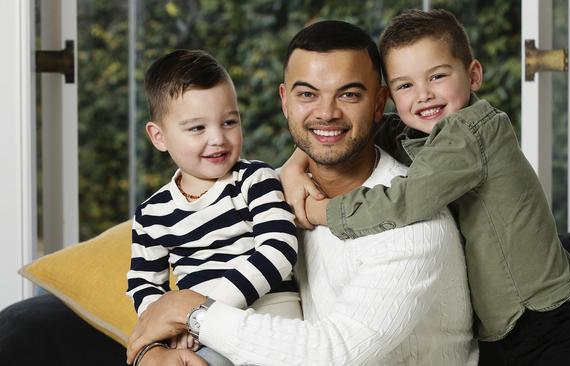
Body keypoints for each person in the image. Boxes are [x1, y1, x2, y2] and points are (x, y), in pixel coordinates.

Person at [126, 20, 478, 366]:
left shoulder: (412, 222)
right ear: (285, 101)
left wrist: (190, 311)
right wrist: (151, 352)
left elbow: (333, 354)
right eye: (308, 94)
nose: (326, 113)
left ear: (378, 103)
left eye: (349, 94)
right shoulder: (270, 192)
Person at [282, 9, 570, 366]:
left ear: (474, 74)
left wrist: (319, 212)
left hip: (548, 318)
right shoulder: (415, 133)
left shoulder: (473, 131)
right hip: (498, 330)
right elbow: (340, 132)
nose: (423, 95)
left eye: (437, 76)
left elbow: (404, 200)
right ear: (387, 98)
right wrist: (295, 166)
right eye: (405, 85)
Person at [126, 49, 301, 366]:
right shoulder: (151, 215)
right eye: (197, 128)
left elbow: (279, 250)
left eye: (229, 121)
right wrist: (167, 327)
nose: (218, 138)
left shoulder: (254, 180)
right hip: (200, 335)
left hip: (271, 321)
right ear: (159, 136)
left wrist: (201, 311)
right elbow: (144, 283)